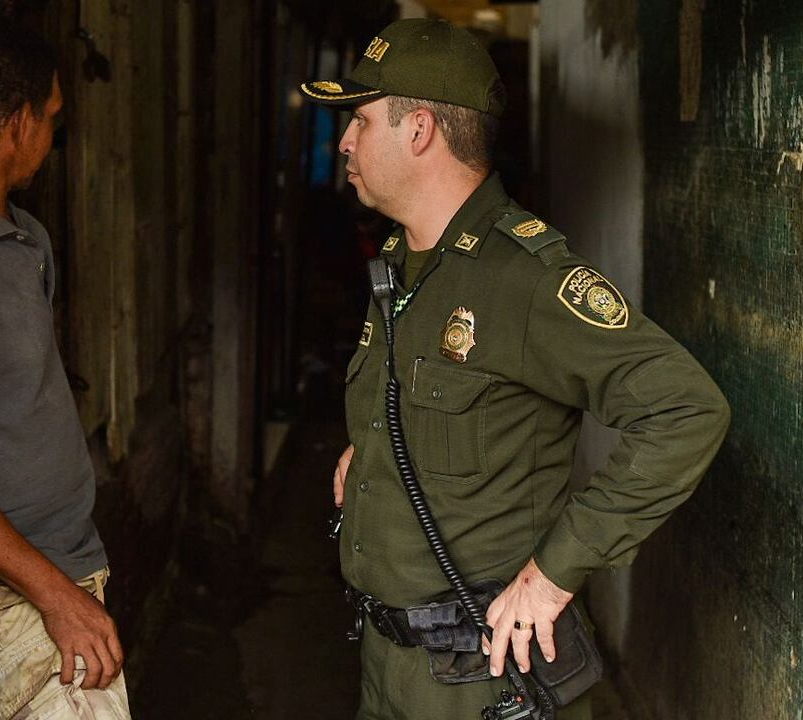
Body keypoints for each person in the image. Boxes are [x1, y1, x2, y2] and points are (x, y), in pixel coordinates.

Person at [300, 18, 730, 720]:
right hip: (386, 666)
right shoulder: (404, 263)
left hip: (482, 680)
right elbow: (448, 415)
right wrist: (372, 447)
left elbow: (686, 409)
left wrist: (554, 573)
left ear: (420, 131)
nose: (345, 140)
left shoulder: (523, 279)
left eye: (362, 120)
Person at [0, 19, 131, 720]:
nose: (53, 135)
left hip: (66, 568)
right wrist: (55, 596)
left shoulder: (26, 238)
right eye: (51, 117)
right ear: (19, 123)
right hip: (14, 593)